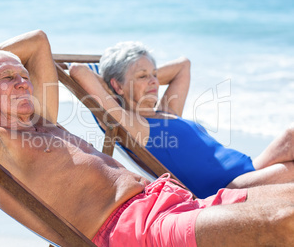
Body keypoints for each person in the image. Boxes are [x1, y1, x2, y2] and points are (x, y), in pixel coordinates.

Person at [0, 30, 294, 246]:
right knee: (285, 220)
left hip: (176, 202)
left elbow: (38, 42)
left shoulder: (44, 123)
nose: (23, 79)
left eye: (22, 74)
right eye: (9, 79)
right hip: (137, 231)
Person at [69, 41, 294, 199]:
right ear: (116, 85)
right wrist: (115, 86)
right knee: (291, 136)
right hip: (227, 188)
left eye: (155, 75)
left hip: (252, 170)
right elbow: (78, 71)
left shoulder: (166, 112)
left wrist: (140, 74)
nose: (154, 82)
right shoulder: (136, 127)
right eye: (143, 76)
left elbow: (183, 65)